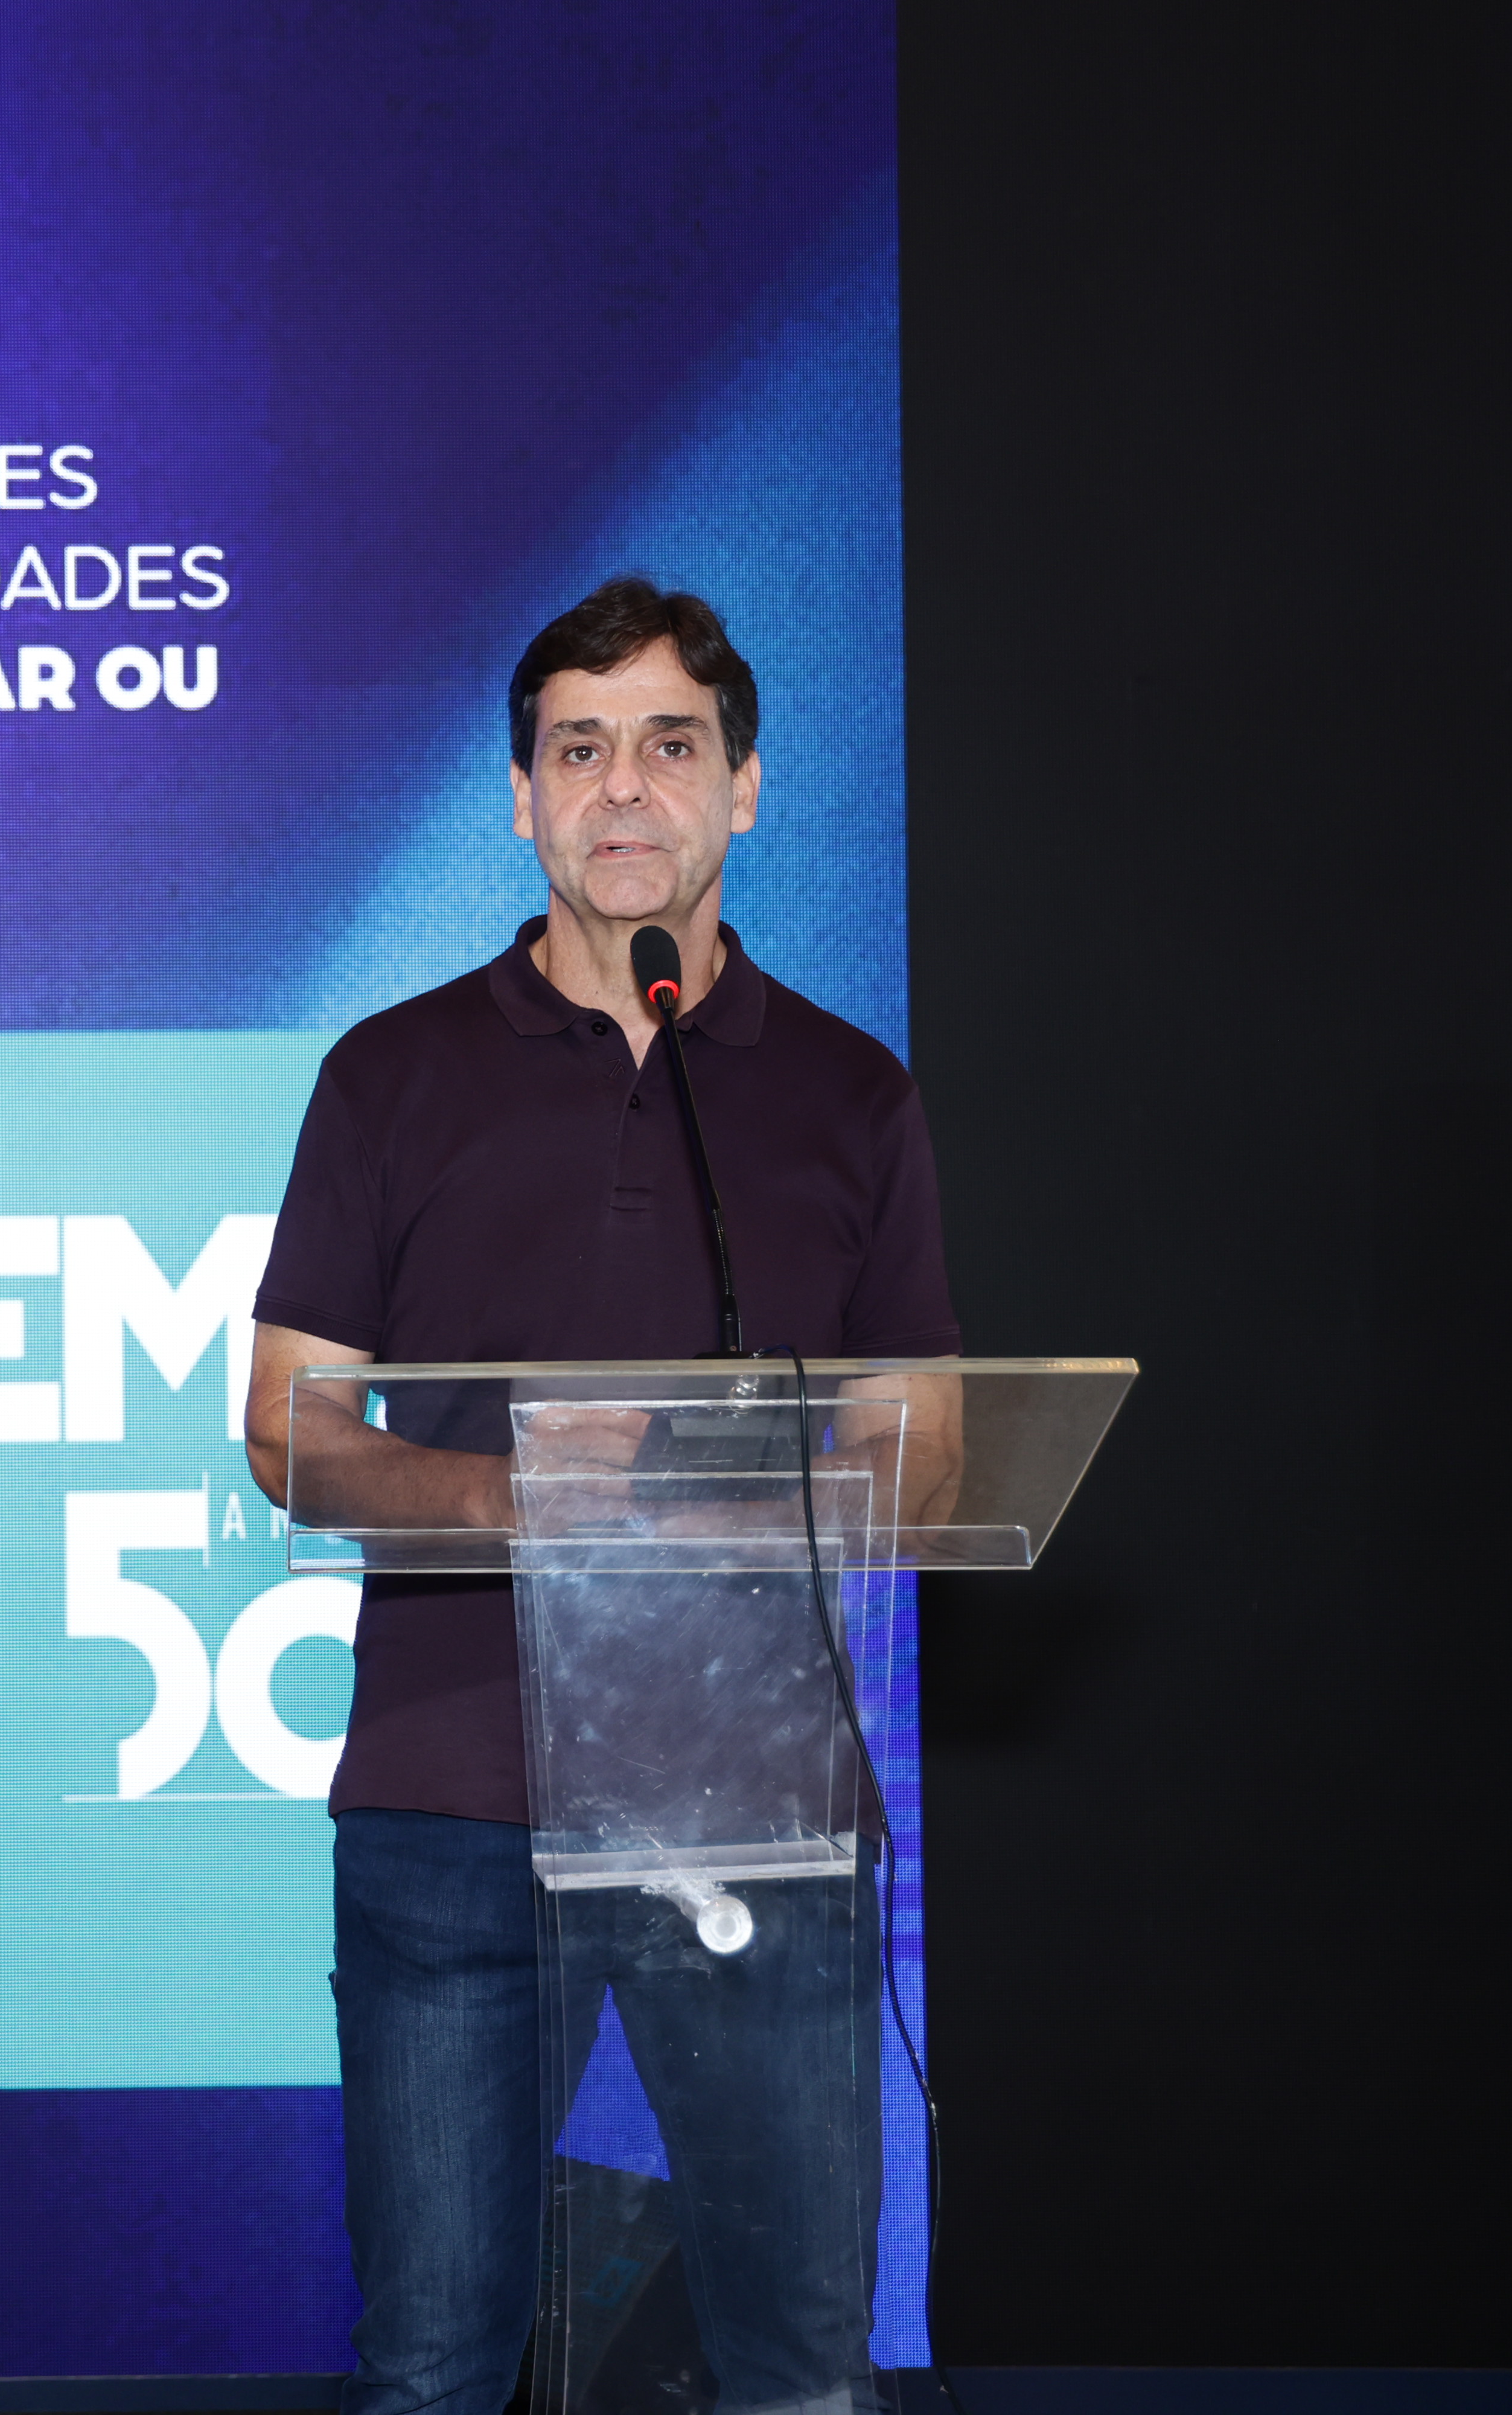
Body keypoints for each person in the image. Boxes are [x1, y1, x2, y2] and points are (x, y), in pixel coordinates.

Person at [242, 578, 960, 2415]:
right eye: (579, 749)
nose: (623, 787)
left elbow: (934, 1448)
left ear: (746, 789)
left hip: (759, 1810)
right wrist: (516, 1499)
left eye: (669, 746)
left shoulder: (852, 1095)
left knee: (802, 2373)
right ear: (521, 798)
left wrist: (730, 1502)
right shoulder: (389, 1075)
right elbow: (289, 1431)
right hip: (452, 1808)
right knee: (432, 2367)